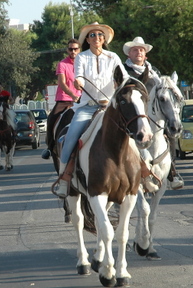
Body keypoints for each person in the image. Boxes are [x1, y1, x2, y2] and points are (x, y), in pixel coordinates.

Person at [53, 22, 129, 198]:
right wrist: (78, 81)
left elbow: (124, 77)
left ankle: (144, 171)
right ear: (87, 39)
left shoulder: (113, 57)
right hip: (88, 107)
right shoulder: (82, 57)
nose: (97, 38)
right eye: (93, 35)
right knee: (70, 137)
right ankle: (64, 178)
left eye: (100, 35)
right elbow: (78, 74)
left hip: (111, 107)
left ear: (104, 39)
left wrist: (123, 84)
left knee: (136, 131)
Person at [123, 36, 184, 190]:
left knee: (169, 132)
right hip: (132, 111)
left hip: (152, 111)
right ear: (128, 54)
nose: (138, 52)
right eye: (135, 50)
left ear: (146, 55)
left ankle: (172, 172)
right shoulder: (124, 71)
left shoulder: (154, 71)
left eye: (141, 50)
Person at [41, 38, 82, 160]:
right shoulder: (62, 64)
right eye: (71, 49)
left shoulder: (84, 64)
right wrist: (73, 95)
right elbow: (62, 84)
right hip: (65, 100)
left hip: (82, 100)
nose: (73, 51)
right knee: (51, 118)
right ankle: (50, 147)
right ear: (67, 50)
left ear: (79, 50)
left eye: (75, 49)